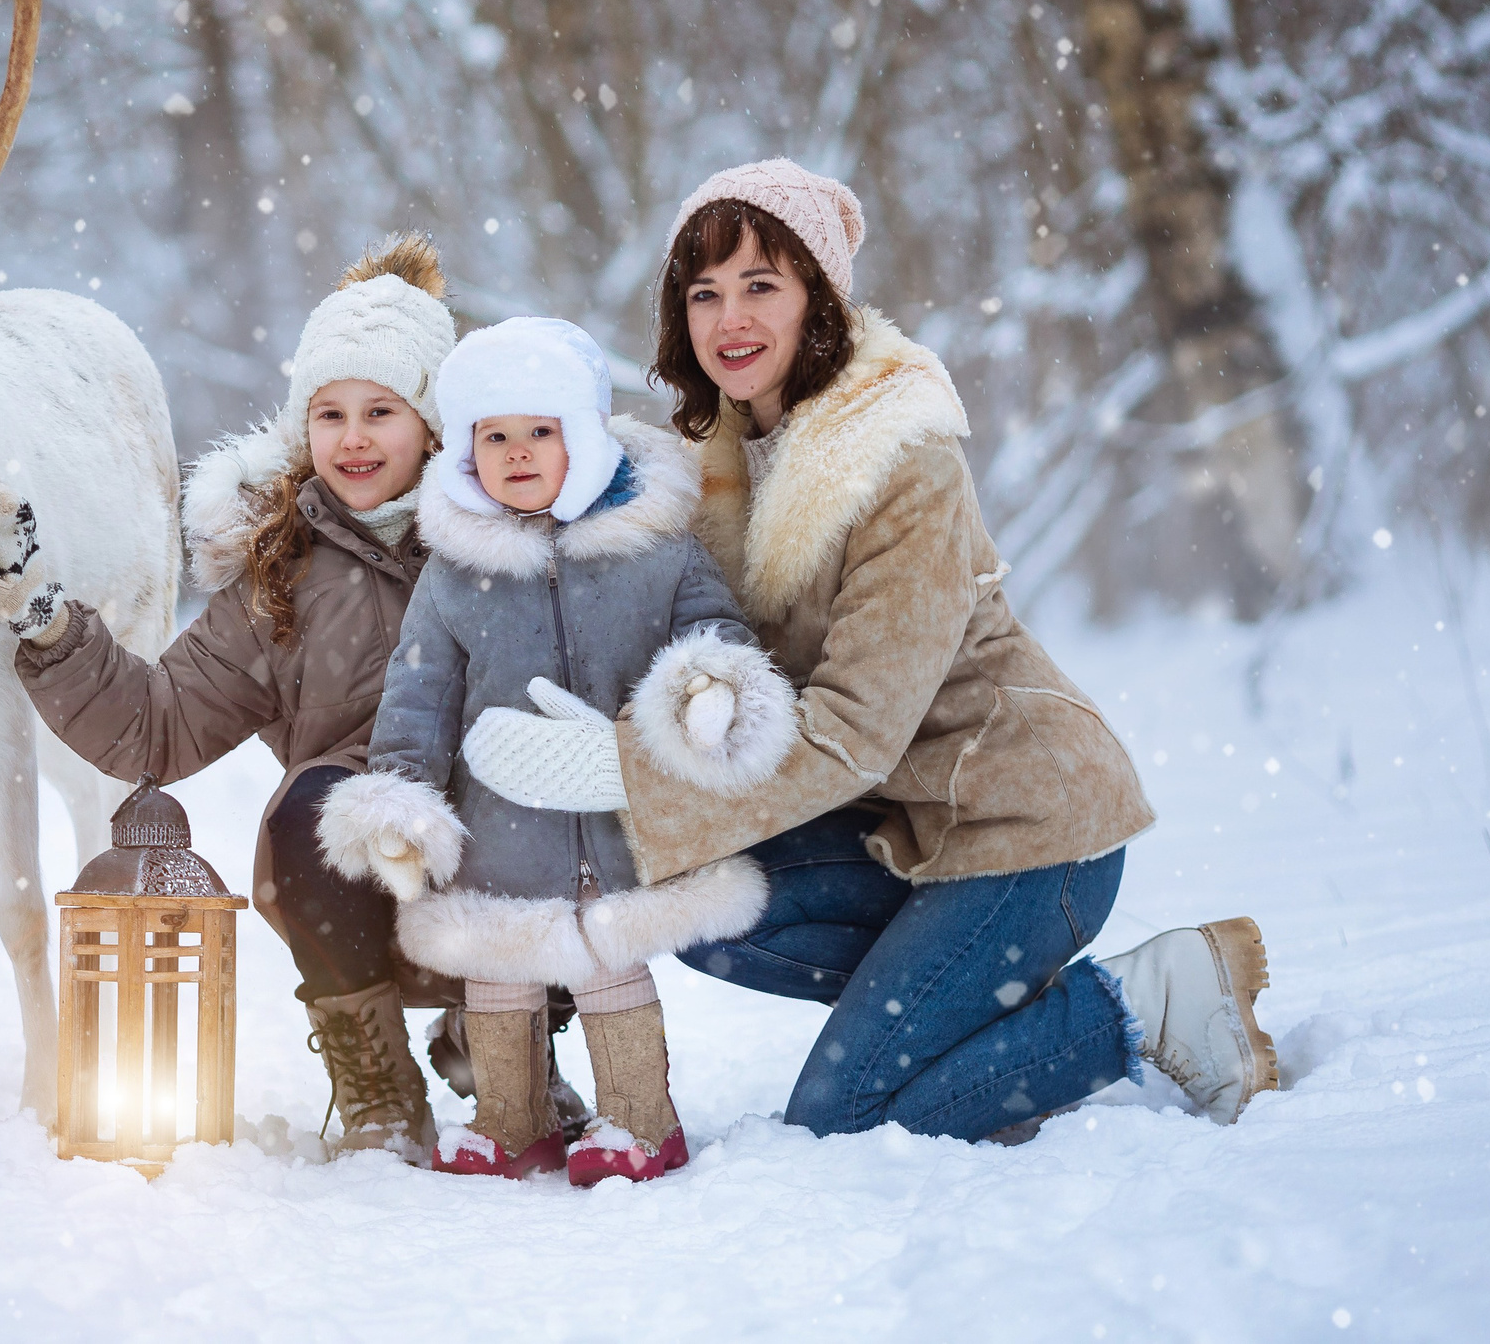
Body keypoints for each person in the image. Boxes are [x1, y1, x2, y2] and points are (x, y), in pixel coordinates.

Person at [465, 158, 1279, 1142]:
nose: (730, 317)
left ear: (819, 295)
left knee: (845, 1119)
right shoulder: (717, 460)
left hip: (1018, 828)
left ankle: (1145, 1004)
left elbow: (854, 730)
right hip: (896, 835)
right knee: (700, 906)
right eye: (703, 291)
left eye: (761, 284)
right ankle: (968, 1020)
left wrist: (626, 771)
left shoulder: (898, 459)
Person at [0, 235, 466, 1156]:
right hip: (361, 844)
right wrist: (50, 622)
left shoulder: (495, 540)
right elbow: (159, 723)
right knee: (314, 815)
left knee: (540, 791)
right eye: (330, 412)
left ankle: (521, 1056)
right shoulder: (285, 579)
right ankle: (377, 1086)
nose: (352, 437)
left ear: (433, 424)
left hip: (493, 815)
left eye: (381, 410)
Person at [316, 316, 796, 1182]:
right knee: (497, 977)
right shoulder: (456, 568)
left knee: (612, 962)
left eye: (541, 431)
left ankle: (640, 1117)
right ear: (466, 450)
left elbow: (712, 624)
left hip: (614, 816)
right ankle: (511, 1115)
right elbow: (418, 691)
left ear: (583, 434)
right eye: (494, 436)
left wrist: (709, 681)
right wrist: (400, 800)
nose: (519, 452)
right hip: (498, 824)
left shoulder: (654, 543)